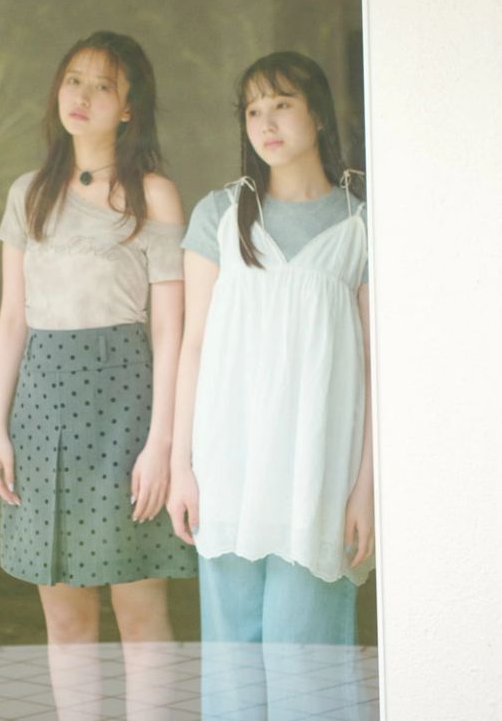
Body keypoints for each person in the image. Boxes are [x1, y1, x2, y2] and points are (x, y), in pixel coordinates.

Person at [0, 30, 196, 719]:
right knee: (66, 619)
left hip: (125, 408)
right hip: (41, 410)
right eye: (74, 79)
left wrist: (162, 444)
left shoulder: (154, 194)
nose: (82, 95)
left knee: (140, 610)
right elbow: (12, 318)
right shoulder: (28, 193)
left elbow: (170, 329)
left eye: (103, 85)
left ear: (129, 107)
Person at [168, 50, 376, 719]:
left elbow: (374, 365)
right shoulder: (220, 215)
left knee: (304, 654)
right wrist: (181, 467)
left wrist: (366, 486)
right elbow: (192, 345)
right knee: (233, 658)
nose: (266, 122)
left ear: (319, 114)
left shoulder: (362, 222)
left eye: (282, 104)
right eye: (253, 110)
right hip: (228, 467)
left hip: (317, 471)